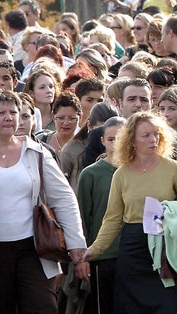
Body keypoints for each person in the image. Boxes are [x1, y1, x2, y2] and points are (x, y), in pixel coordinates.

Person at [0, 90, 85, 313]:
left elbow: (64, 199)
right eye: (1, 113)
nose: (8, 118)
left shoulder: (37, 153)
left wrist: (76, 245)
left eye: (13, 112)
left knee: (42, 306)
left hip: (34, 248)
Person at [82, 111, 177, 312]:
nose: (153, 139)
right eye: (146, 135)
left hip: (165, 246)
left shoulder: (173, 168)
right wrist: (95, 249)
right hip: (133, 247)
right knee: (131, 306)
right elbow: (112, 219)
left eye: (156, 134)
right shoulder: (122, 174)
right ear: (132, 141)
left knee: (169, 306)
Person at [75, 116, 125, 314]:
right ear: (103, 141)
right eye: (111, 139)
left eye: (121, 138)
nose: (116, 144)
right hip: (102, 256)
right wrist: (82, 258)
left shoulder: (139, 171)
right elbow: (82, 218)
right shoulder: (91, 174)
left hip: (133, 253)